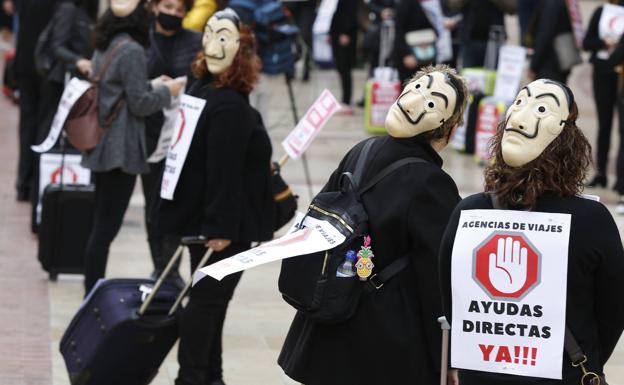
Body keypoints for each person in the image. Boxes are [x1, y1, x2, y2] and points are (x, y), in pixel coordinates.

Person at [278, 65, 468, 385]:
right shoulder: (433, 184)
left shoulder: (363, 150)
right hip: (384, 342)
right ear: (450, 130)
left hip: (330, 318)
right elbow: (436, 281)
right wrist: (446, 356)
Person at [439, 79, 624, 384]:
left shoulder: (468, 212)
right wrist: (580, 357)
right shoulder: (592, 220)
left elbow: (451, 303)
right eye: (519, 103)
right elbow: (612, 312)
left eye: (539, 108)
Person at [153, 9, 274, 385]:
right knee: (206, 306)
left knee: (211, 305)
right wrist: (219, 228)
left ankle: (210, 377)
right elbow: (221, 172)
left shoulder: (205, 91)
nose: (213, 43)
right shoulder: (228, 104)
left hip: (206, 220)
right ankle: (190, 378)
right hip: (223, 227)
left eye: (224, 37)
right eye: (210, 35)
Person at [81, 0, 185, 293]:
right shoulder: (133, 50)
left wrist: (152, 84)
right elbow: (139, 104)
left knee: (99, 226)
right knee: (105, 230)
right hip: (121, 150)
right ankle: (92, 293)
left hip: (101, 144)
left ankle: (91, 288)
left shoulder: (106, 44)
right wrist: (168, 90)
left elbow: (121, 90)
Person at [144, 0, 202, 283]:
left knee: (175, 200)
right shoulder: (141, 37)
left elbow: (200, 79)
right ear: (154, 7)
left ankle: (171, 269)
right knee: (152, 202)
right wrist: (158, 86)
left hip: (183, 134)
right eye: (168, 6)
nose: (173, 14)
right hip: (149, 133)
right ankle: (159, 265)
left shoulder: (194, 41)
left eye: (180, 10)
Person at [30, 0, 98, 233]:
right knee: (49, 143)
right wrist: (78, 61)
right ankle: (43, 212)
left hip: (72, 87)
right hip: (60, 86)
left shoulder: (83, 12)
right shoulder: (68, 9)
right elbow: (56, 46)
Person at [13, 0, 59, 202]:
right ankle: (36, 183)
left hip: (26, 62)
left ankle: (24, 182)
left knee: (28, 124)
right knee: (44, 124)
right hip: (47, 66)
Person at [583, 1, 623, 188]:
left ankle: (620, 179)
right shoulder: (601, 12)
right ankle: (601, 174)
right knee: (604, 125)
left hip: (621, 74)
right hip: (603, 72)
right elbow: (586, 42)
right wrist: (603, 42)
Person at [446, 0, 516, 68]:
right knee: (469, 78)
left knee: (492, 77)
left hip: (495, 40)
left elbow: (513, 8)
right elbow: (452, 5)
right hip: (469, 40)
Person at [527, 0, 574, 83]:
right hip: (556, 63)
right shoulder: (557, 3)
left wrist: (534, 66)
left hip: (549, 65)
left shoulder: (552, 4)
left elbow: (544, 36)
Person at [393, 0, 436, 83]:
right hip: (409, 55)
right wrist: (406, 55)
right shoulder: (406, 3)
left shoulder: (431, 3)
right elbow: (399, 30)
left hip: (427, 54)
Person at [330, 0, 358, 113]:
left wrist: (346, 32)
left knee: (345, 69)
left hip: (344, 36)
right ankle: (345, 100)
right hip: (338, 34)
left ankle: (346, 101)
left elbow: (350, 14)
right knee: (341, 69)